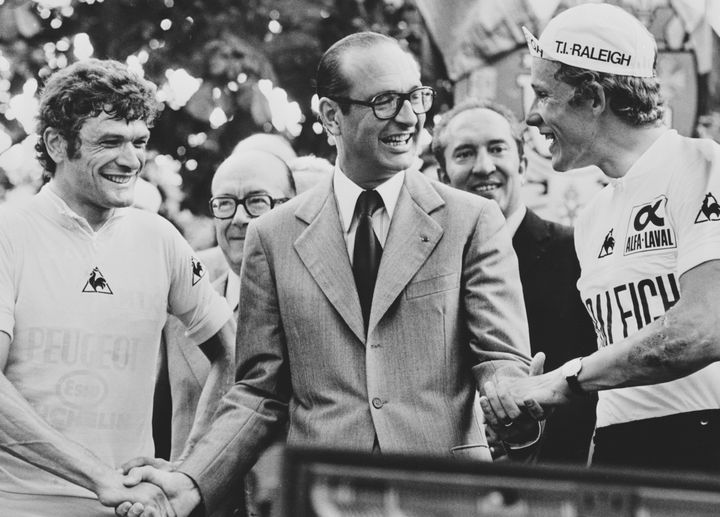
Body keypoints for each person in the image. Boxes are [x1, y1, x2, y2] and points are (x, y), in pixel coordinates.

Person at [119, 31, 536, 517]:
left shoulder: (472, 220)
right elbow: (257, 393)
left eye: (415, 97)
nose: (408, 117)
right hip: (319, 497)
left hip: (443, 496)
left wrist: (512, 391)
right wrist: (189, 482)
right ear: (330, 116)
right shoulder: (271, 237)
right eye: (384, 101)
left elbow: (502, 359)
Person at [480, 3, 720, 473]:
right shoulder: (593, 218)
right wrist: (535, 409)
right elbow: (616, 388)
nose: (531, 116)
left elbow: (700, 331)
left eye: (544, 94)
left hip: (703, 450)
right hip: (618, 457)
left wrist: (561, 380)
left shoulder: (705, 167)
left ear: (592, 96)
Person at [0, 59, 235, 516]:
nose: (130, 160)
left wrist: (186, 472)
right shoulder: (8, 233)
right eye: (109, 141)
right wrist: (99, 478)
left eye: (139, 142)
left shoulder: (160, 237)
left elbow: (233, 356)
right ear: (56, 144)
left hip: (135, 509)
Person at [433, 98, 597, 464]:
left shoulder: (576, 251)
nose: (484, 166)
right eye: (464, 154)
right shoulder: (425, 263)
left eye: (497, 149)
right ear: (442, 176)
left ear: (522, 163)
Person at [153, 149, 296, 517]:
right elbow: (158, 416)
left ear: (294, 207)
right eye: (225, 204)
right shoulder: (179, 308)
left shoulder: (316, 308)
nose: (239, 218)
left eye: (257, 202)